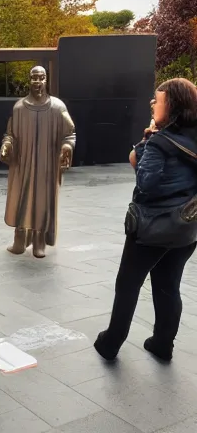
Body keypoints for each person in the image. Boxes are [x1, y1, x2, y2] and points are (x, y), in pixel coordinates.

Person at [95, 78, 197, 362]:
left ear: (173, 106)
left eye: (158, 100)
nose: (152, 103)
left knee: (127, 284)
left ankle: (110, 342)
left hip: (152, 228)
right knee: (168, 285)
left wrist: (144, 144)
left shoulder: (159, 142)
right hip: (187, 228)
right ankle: (163, 344)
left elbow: (146, 182)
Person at [0, 65, 76, 258]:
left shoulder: (58, 108)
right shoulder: (19, 108)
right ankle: (19, 239)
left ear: (46, 80)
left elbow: (70, 133)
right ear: (29, 80)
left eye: (41, 78)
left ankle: (39, 241)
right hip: (23, 165)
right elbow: (10, 134)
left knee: (42, 200)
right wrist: (6, 145)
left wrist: (66, 148)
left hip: (46, 165)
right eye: (34, 78)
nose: (37, 82)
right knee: (21, 198)